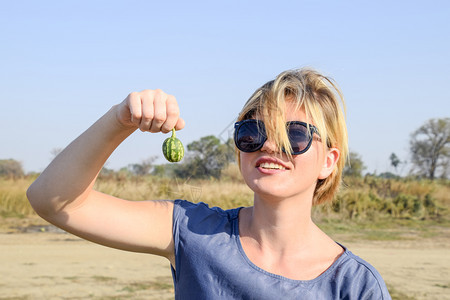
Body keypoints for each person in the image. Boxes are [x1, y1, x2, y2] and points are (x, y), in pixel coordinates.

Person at [27, 68, 391, 299]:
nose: (268, 144)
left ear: (328, 161)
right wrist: (119, 119)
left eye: (294, 135)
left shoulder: (354, 285)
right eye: (253, 132)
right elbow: (53, 201)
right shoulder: (193, 233)